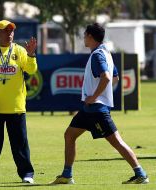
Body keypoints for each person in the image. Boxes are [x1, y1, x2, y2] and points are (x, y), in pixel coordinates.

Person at [51, 23, 149, 185]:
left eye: (84, 35)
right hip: (89, 109)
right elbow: (115, 77)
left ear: (90, 36)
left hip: (96, 109)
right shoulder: (105, 53)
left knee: (116, 142)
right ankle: (67, 175)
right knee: (69, 135)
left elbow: (107, 77)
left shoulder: (98, 55)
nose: (83, 38)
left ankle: (141, 174)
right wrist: (100, 94)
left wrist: (95, 96)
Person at [0, 20, 37, 184]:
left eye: (12, 31)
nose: (10, 33)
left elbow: (31, 70)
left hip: (16, 107)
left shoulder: (20, 51)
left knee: (20, 145)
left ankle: (27, 174)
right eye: (5, 30)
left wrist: (31, 55)